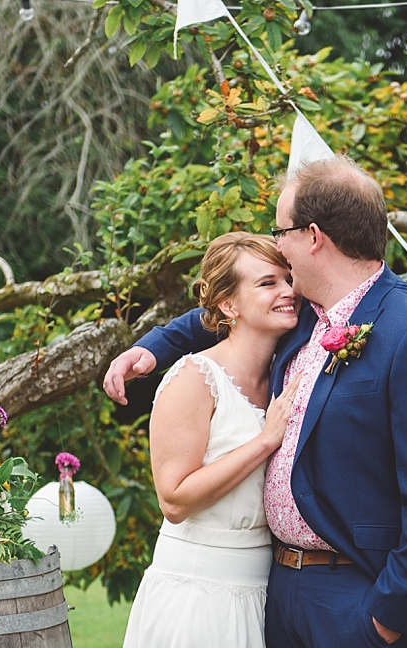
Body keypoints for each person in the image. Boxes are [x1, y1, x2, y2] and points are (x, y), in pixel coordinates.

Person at [106, 156, 407, 647]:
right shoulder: (299, 314)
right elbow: (220, 311)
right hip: (273, 589)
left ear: (313, 236)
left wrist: (387, 616)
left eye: (281, 232)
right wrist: (152, 348)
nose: (278, 247)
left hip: (354, 598)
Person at [122, 232, 303, 647]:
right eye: (267, 283)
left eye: (287, 279)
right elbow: (174, 500)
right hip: (197, 596)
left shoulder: (287, 372)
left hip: (267, 595)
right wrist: (264, 440)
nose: (288, 292)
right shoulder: (194, 378)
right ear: (228, 305)